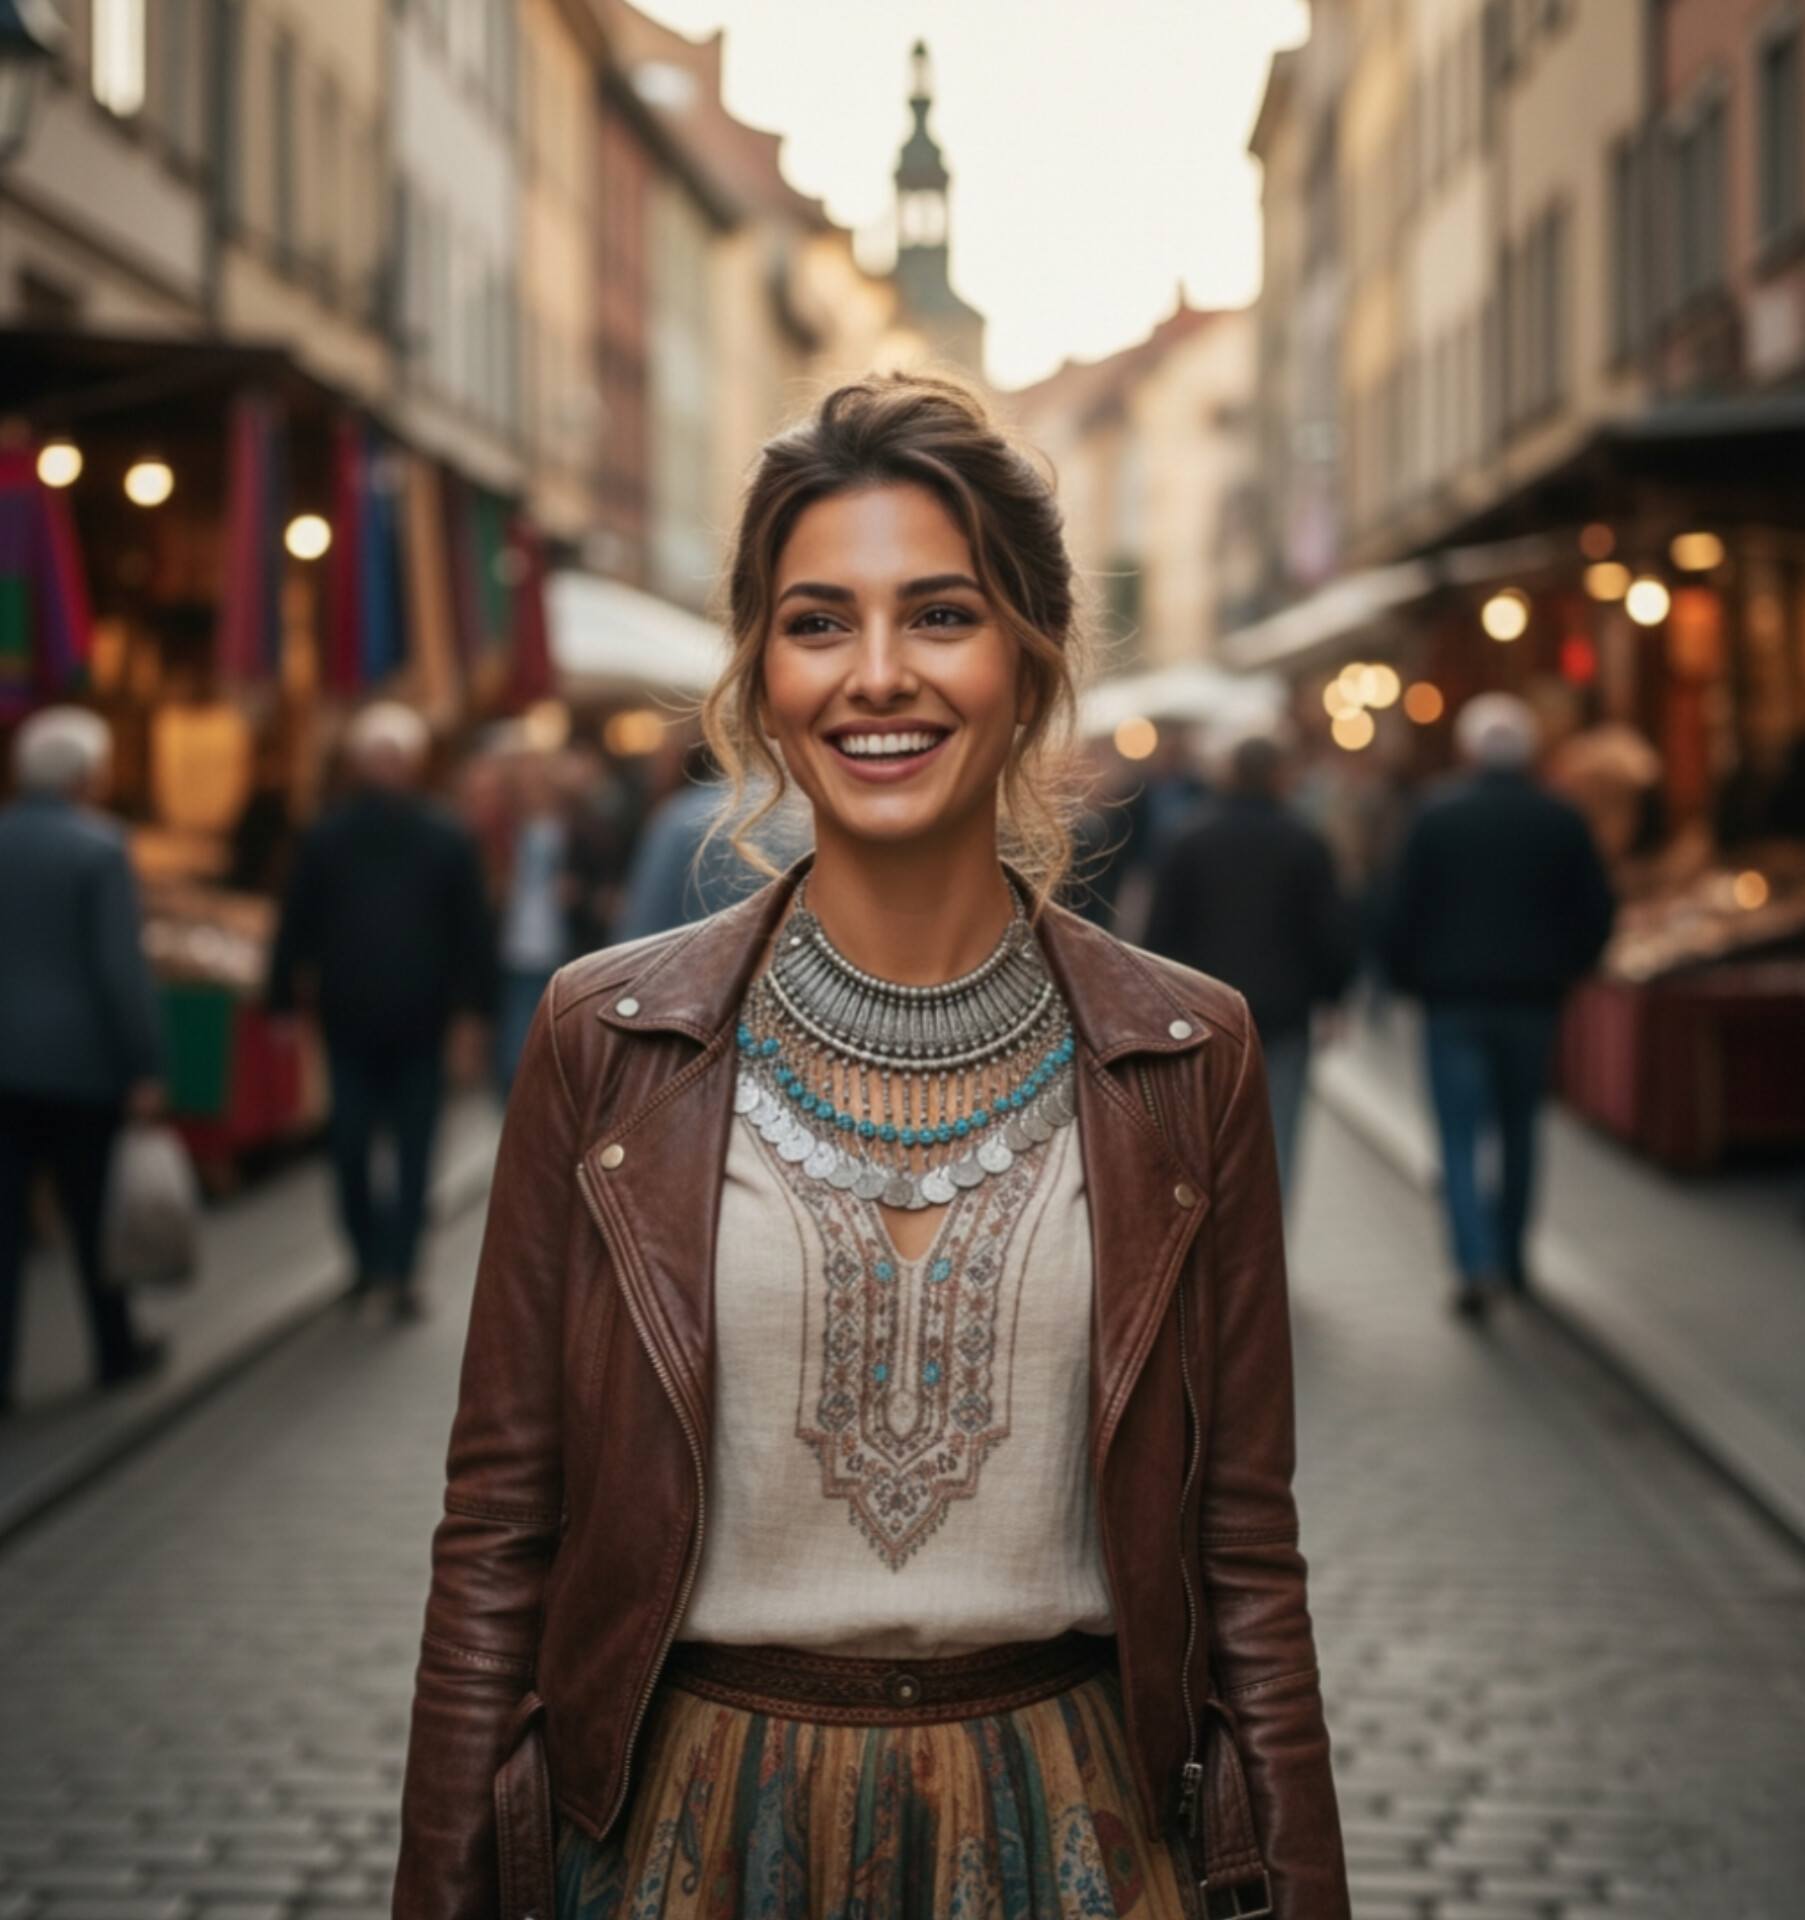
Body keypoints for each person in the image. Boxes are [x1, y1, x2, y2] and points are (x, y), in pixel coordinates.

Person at [396, 375, 1350, 1918]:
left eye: (943, 616)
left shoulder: (1188, 1057)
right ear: (760, 673)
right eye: (819, 621)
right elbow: (500, 1538)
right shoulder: (605, 1039)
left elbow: (1245, 1561)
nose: (877, 676)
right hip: (678, 1842)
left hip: (1081, 1845)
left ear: (1032, 663)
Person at [1377, 692, 1615, 1321]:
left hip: (1451, 1001)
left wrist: (1405, 980)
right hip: (1532, 1001)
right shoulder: (1559, 818)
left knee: (1457, 1136)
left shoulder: (1437, 815)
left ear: (1468, 749)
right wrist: (1571, 968)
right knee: (1519, 1129)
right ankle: (1512, 1257)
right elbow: (1596, 909)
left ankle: (1472, 1261)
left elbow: (1401, 908)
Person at [267, 703, 494, 1322]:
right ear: (361, 765)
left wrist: (475, 1013)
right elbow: (297, 923)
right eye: (378, 758)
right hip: (348, 1018)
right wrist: (282, 999)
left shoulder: (445, 837)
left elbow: (472, 930)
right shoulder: (326, 837)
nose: (388, 769)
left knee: (416, 1147)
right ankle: (367, 1260)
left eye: (397, 758)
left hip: (421, 1019)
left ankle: (399, 1266)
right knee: (347, 1143)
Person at [0, 707, 166, 1413]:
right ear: (80, 776)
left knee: (3, 1225)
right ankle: (114, 1346)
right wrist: (145, 1064)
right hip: (79, 1065)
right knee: (94, 1213)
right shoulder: (98, 848)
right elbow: (118, 968)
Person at [1143, 727, 1358, 1208]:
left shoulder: (1187, 838)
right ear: (1281, 777)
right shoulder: (1306, 843)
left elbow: (1159, 935)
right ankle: (1267, 1259)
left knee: (1207, 1135)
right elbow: (1332, 931)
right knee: (1279, 1135)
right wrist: (1333, 997)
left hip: (1203, 1015)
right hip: (1284, 1014)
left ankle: (1217, 1252)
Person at [493, 752, 574, 1096]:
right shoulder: (502, 834)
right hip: (515, 949)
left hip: (561, 949)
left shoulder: (573, 831)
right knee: (513, 1049)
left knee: (557, 1045)